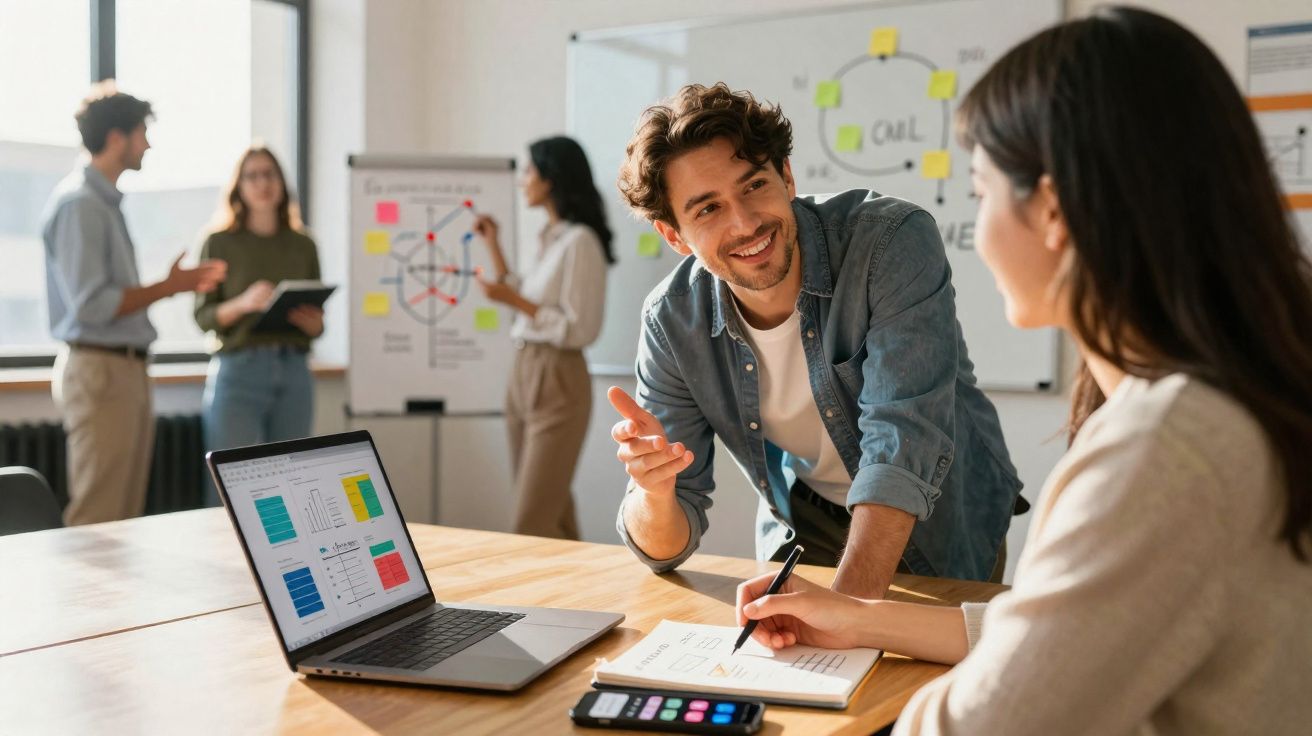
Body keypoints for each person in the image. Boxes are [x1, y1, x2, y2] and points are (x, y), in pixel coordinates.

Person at [735, 8, 1312, 734]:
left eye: (979, 193)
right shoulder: (1233, 399)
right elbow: (1074, 632)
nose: (976, 230)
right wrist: (862, 619)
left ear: (1053, 210)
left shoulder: (1164, 447)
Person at [608, 83, 1021, 597]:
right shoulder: (671, 321)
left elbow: (901, 441)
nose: (745, 223)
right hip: (806, 519)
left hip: (938, 513)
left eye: (755, 185)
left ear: (786, 175)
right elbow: (664, 549)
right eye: (707, 209)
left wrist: (841, 613)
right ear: (673, 235)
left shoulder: (890, 242)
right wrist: (654, 492)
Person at [42, 82, 227, 525]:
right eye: (142, 132)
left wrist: (169, 285)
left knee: (121, 519)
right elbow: (92, 305)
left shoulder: (104, 204)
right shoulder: (81, 205)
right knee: (98, 516)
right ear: (116, 138)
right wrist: (168, 286)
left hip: (122, 370)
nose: (149, 143)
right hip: (101, 371)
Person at [472, 136, 614, 539]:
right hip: (524, 370)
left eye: (529, 170)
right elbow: (527, 298)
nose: (523, 180)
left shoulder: (581, 242)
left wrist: (512, 299)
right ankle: (578, 601)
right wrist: (493, 246)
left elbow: (579, 328)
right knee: (554, 512)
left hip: (557, 375)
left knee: (529, 521)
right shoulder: (551, 238)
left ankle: (535, 604)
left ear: (551, 178)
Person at [194, 146, 323, 504]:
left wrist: (314, 324)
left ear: (282, 183)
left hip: (294, 370)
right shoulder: (218, 241)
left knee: (293, 483)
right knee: (233, 487)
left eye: (270, 174)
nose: (263, 183)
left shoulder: (303, 244)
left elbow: (317, 323)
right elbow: (203, 317)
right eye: (253, 175)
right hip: (239, 372)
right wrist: (244, 303)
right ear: (239, 186)